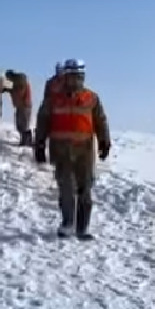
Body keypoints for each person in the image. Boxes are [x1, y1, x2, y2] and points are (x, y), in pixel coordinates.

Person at [34, 59, 111, 239]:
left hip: (84, 151)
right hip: (61, 151)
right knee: (66, 189)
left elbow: (100, 120)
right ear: (65, 77)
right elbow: (42, 121)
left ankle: (83, 228)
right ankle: (68, 223)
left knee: (85, 190)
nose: (74, 81)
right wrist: (39, 144)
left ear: (82, 77)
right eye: (71, 76)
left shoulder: (91, 98)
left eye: (78, 77)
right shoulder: (53, 99)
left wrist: (104, 141)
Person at [4, 69, 34, 146]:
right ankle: (25, 141)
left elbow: (5, 88)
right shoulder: (18, 83)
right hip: (23, 105)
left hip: (24, 105)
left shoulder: (16, 83)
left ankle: (27, 141)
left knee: (23, 124)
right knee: (21, 125)